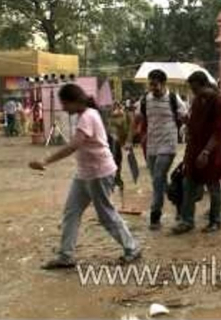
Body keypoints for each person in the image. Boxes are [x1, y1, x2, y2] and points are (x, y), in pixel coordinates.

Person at [28, 83, 140, 269]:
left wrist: (45, 161)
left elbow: (74, 145)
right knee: (71, 212)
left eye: (64, 104)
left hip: (99, 173)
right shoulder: (85, 115)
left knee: (106, 215)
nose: (63, 108)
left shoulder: (88, 116)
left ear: (74, 101)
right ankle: (66, 256)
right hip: (84, 174)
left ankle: (132, 248)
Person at [173, 72, 221, 235]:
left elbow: (219, 132)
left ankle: (215, 221)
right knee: (188, 185)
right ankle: (187, 221)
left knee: (213, 186)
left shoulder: (220, 102)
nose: (193, 91)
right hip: (194, 149)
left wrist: (206, 152)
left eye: (195, 88)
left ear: (204, 84)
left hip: (211, 151)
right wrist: (186, 121)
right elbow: (194, 125)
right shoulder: (197, 100)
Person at [139, 69, 188, 231]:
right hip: (151, 145)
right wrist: (129, 139)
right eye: (150, 85)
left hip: (168, 144)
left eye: (156, 85)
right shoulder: (145, 99)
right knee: (158, 180)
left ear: (164, 83)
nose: (153, 88)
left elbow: (185, 117)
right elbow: (138, 118)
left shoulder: (174, 99)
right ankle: (179, 201)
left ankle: (155, 215)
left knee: (158, 177)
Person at [109, 101, 132, 195]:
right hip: (113, 144)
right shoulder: (121, 116)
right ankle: (116, 181)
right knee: (116, 163)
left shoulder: (122, 116)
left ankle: (116, 181)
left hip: (115, 144)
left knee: (117, 163)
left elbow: (127, 129)